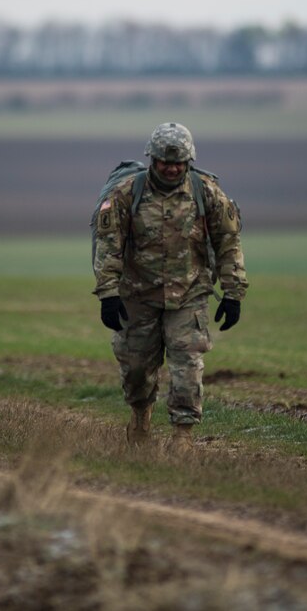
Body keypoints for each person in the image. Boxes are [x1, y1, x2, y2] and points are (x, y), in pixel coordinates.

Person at [93, 122, 247, 450]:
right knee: (136, 367)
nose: (172, 168)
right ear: (152, 159)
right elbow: (109, 245)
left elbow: (229, 242)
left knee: (187, 367)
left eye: (179, 162)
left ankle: (182, 438)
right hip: (137, 294)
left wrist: (233, 292)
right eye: (165, 161)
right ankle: (140, 419)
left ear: (189, 161)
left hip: (189, 294)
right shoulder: (126, 194)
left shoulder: (206, 191)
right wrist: (108, 293)